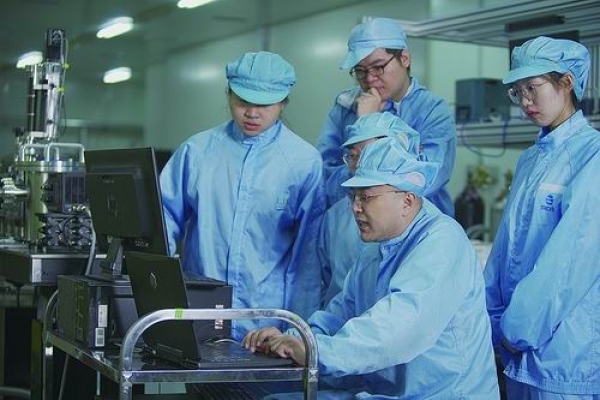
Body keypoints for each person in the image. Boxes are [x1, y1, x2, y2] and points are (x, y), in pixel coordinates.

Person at [244, 136, 500, 399]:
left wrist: (316, 351)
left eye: (366, 197)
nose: (355, 208)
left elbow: (399, 327)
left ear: (407, 201)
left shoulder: (442, 241)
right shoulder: (375, 249)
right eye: (353, 197)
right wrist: (294, 338)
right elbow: (341, 314)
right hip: (386, 391)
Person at [160, 51, 326, 340]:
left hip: (267, 326)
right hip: (200, 313)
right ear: (228, 95)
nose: (252, 113)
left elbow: (307, 261)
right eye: (242, 101)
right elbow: (162, 223)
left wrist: (295, 334)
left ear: (283, 102)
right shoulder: (196, 152)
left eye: (264, 104)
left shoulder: (304, 163)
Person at [484, 36, 600, 399]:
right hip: (514, 349)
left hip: (562, 356)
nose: (525, 101)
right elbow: (504, 247)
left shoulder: (592, 155)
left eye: (533, 87)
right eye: (517, 92)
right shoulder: (530, 159)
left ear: (567, 82)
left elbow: (570, 260)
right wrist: (489, 318)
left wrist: (516, 330)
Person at [317, 17, 455, 216]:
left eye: (378, 67)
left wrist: (368, 127)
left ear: (404, 58)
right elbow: (324, 177)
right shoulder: (345, 108)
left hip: (418, 224)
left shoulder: (433, 111)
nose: (369, 79)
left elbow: (423, 180)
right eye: (360, 71)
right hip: (355, 222)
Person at [319, 111, 420, 306]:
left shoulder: (420, 223)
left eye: (369, 155)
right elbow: (328, 285)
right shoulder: (336, 216)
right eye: (353, 156)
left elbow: (405, 311)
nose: (359, 165)